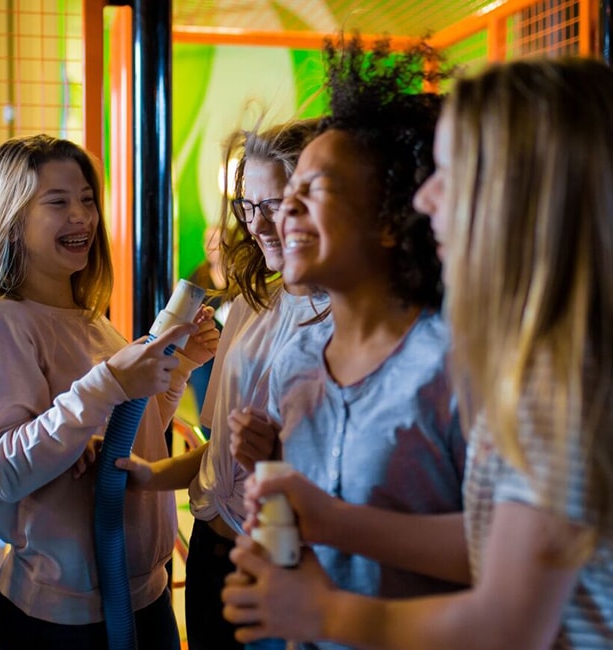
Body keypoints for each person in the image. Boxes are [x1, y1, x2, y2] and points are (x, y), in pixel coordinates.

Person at [222, 57, 613, 649]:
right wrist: (326, 520)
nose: (425, 198)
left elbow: (508, 625)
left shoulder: (547, 384)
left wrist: (324, 612)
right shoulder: (546, 367)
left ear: (527, 193)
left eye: (451, 173)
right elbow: (498, 541)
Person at [224, 37, 465, 650]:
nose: (283, 214)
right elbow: (301, 526)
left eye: (315, 190)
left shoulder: (454, 363)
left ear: (389, 220)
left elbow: (513, 552)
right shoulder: (297, 360)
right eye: (286, 193)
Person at [0, 134, 219, 650]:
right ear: (12, 219)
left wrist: (181, 366)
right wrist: (107, 385)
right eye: (58, 203)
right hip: (64, 620)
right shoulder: (4, 326)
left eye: (86, 199)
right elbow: (5, 471)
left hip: (143, 596)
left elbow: (132, 432)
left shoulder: (89, 320)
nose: (81, 216)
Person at [117, 118, 329, 650]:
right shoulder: (250, 307)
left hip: (283, 571)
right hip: (212, 558)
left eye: (274, 204)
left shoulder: (348, 322)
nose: (258, 225)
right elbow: (220, 456)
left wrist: (283, 458)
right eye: (247, 207)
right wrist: (148, 476)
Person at [187, 224, 233, 424]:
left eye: (217, 241)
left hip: (234, 352)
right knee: (207, 414)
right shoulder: (197, 277)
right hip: (206, 356)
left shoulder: (241, 277)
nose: (212, 246)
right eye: (208, 242)